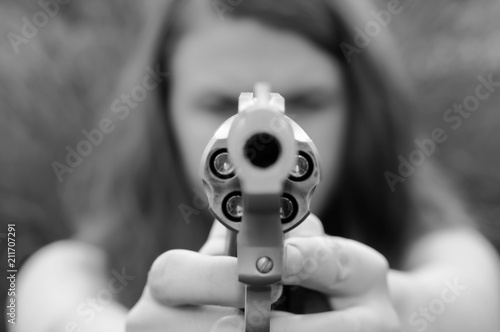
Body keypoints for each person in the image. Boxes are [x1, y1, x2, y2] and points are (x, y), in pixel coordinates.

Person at [13, 0, 500, 331]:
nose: (265, 137)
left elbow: (470, 303)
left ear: (362, 112)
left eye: (307, 100)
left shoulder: (445, 251)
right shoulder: (69, 272)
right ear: (162, 113)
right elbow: (58, 312)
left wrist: (389, 305)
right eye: (219, 102)